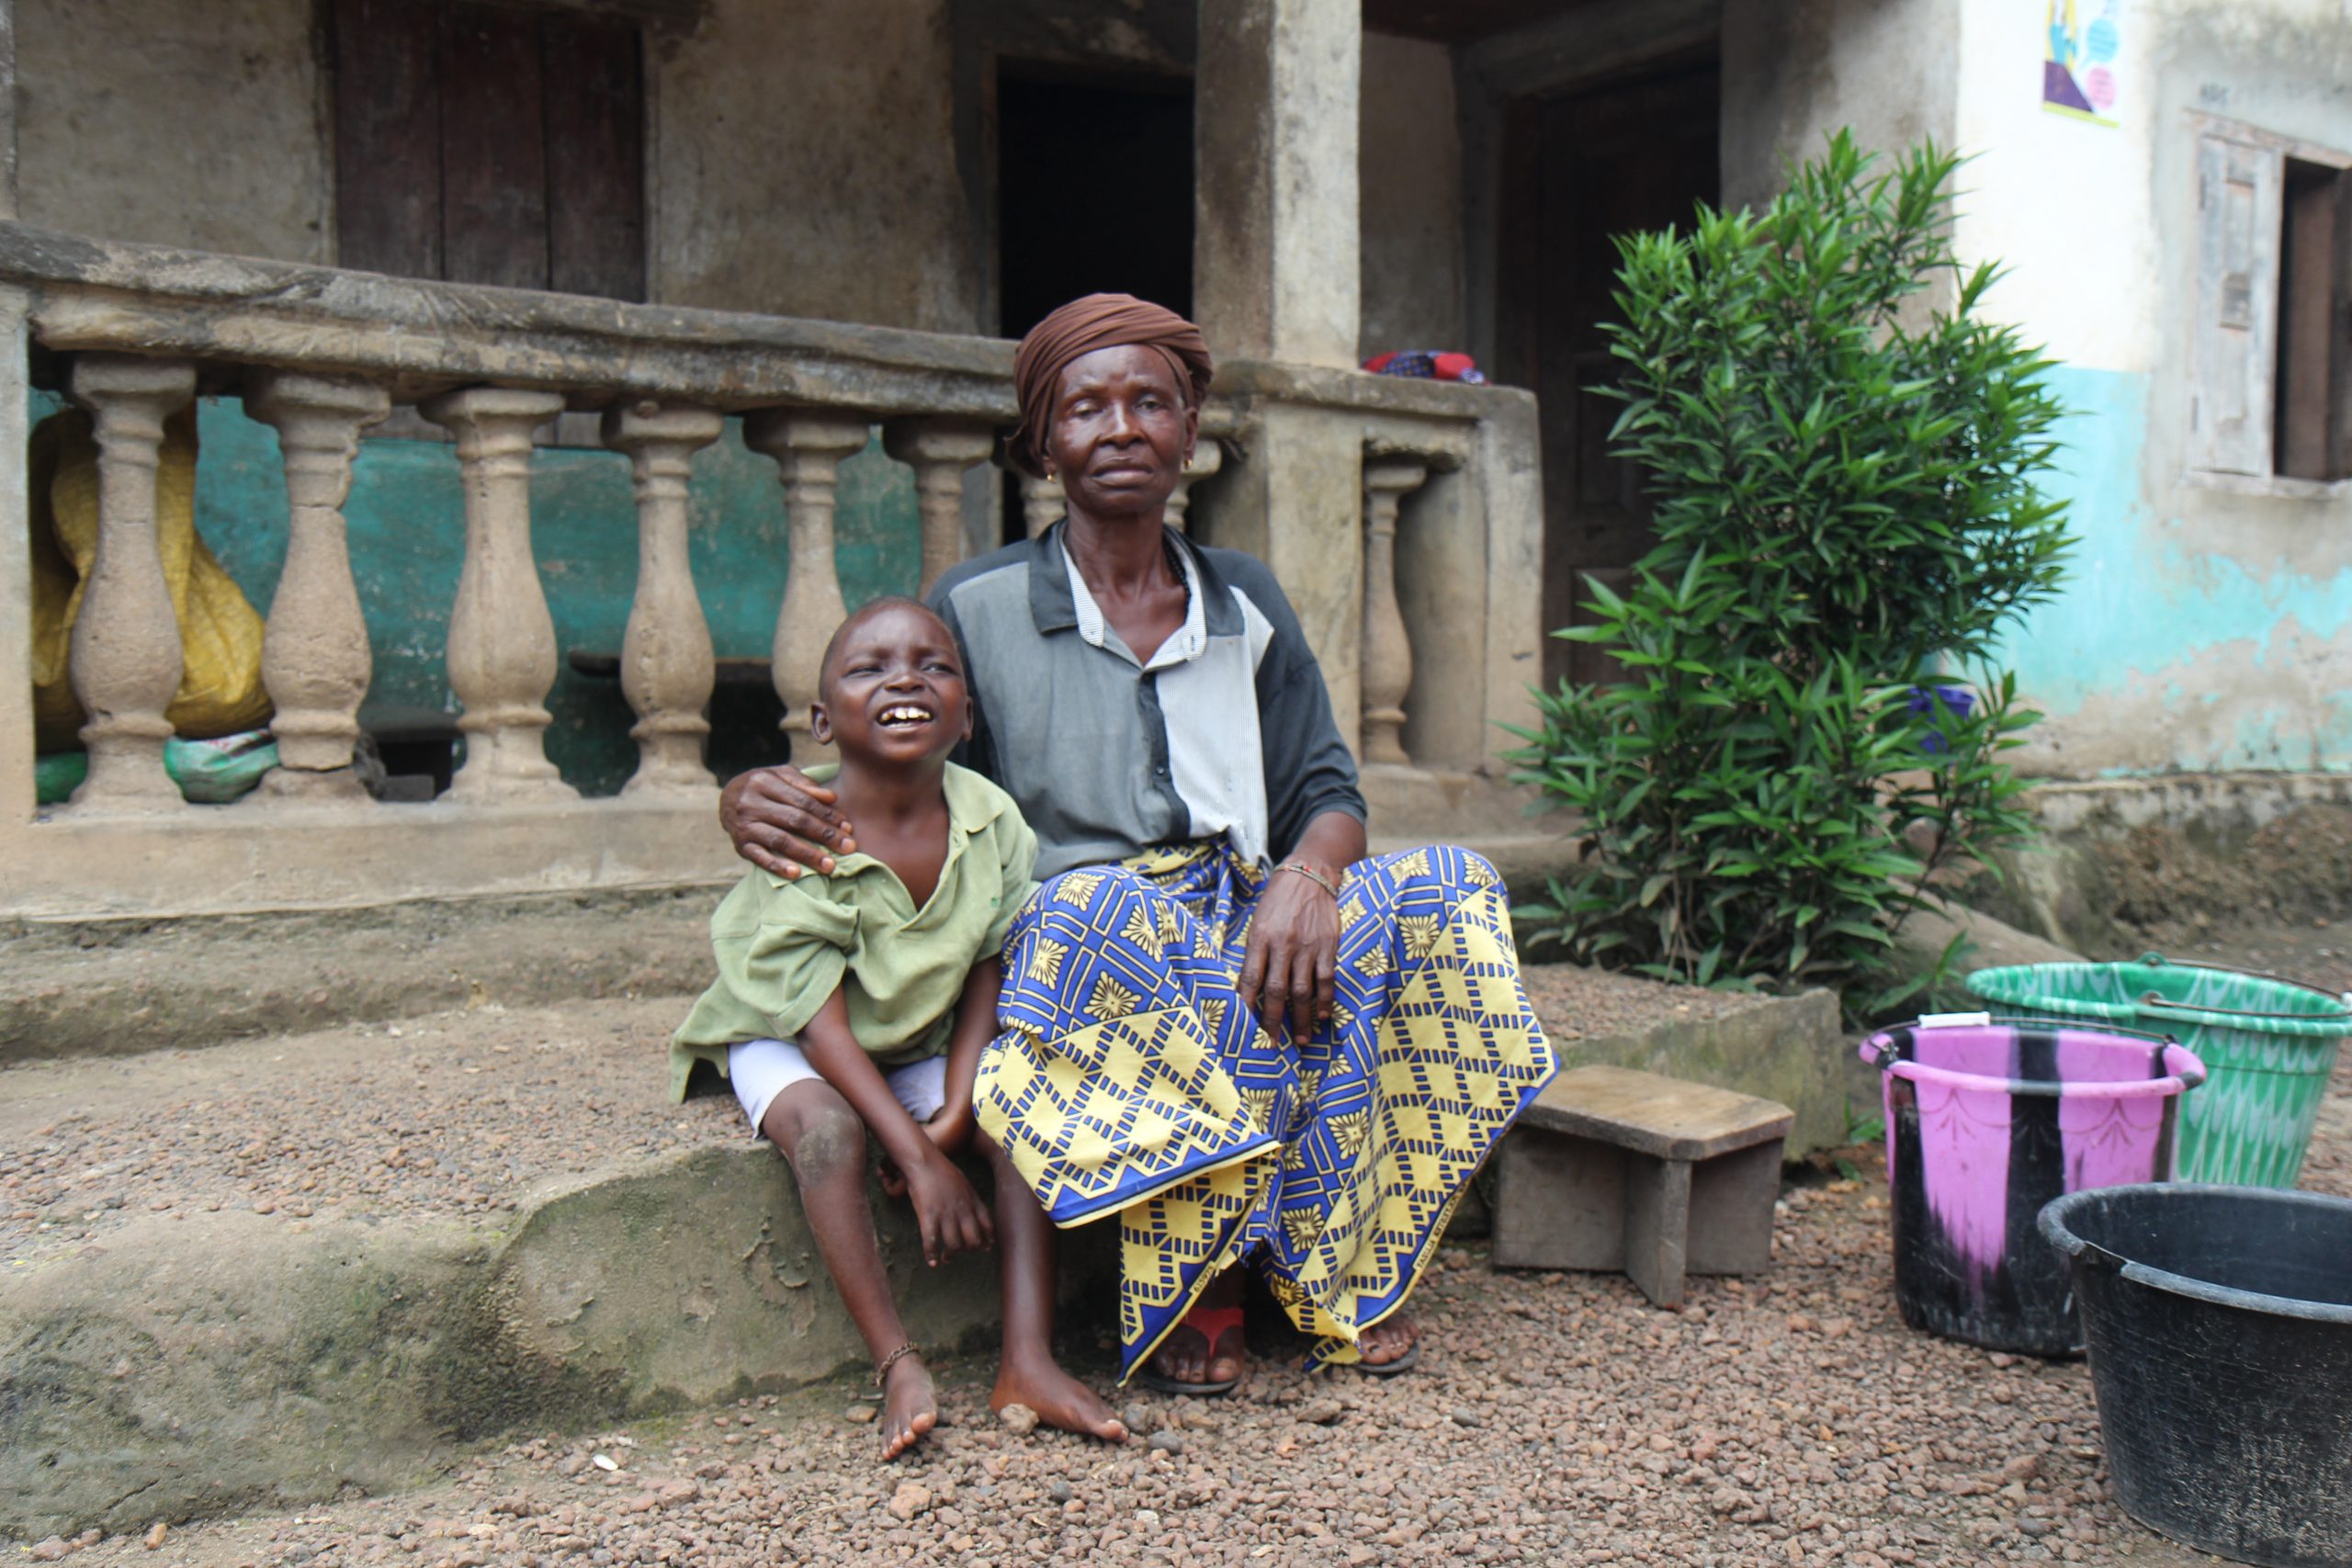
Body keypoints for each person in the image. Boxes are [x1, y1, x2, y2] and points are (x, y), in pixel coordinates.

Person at [720, 294, 1556, 1430]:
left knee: (1450, 893)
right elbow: (893, 750)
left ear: (1189, 425)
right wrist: (750, 793)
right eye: (1086, 408)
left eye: (1148, 402)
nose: (1119, 428)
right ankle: (1194, 1274)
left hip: (1253, 904)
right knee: (1099, 911)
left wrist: (1310, 880)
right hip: (1078, 936)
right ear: (1043, 442)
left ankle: (1331, 1263)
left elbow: (1327, 791)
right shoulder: (979, 604)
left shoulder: (1243, 597)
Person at [671, 596, 1035, 1461]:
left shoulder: (991, 818)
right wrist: (917, 1157)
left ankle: (1030, 1353)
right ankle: (896, 1361)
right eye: (869, 667)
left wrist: (953, 1110)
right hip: (791, 1030)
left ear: (969, 714)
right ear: (822, 721)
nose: (905, 677)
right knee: (831, 1134)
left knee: (1020, 1115)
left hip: (910, 1030)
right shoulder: (802, 832)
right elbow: (816, 1018)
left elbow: (991, 958)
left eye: (933, 665)